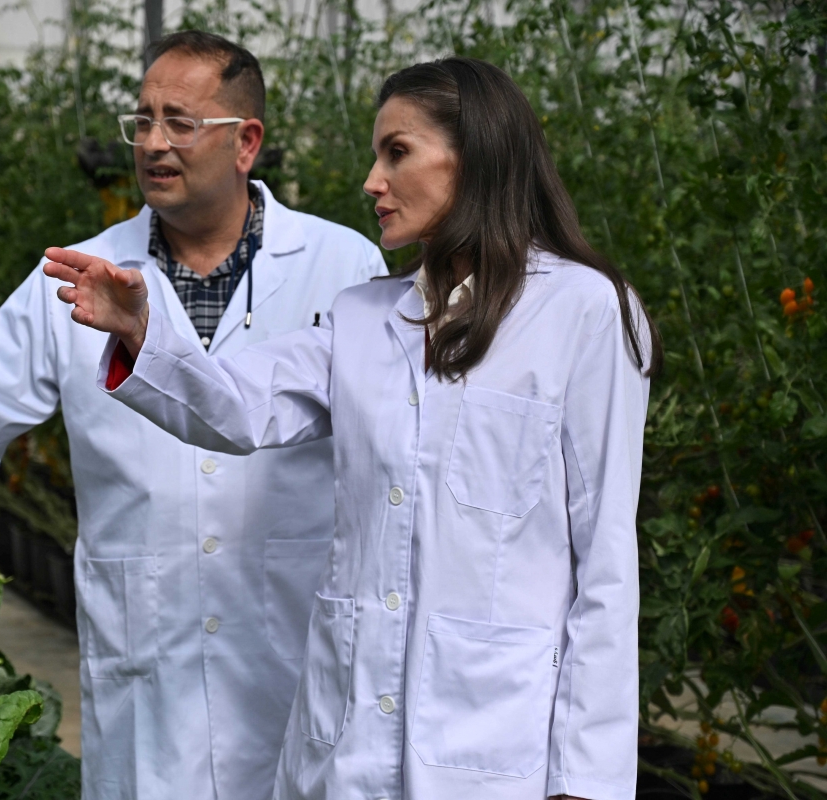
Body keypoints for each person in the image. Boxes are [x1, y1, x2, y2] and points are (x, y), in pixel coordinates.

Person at [44, 57, 662, 800]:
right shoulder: (365, 317)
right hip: (346, 744)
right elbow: (238, 405)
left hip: (497, 746)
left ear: (478, 157)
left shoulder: (584, 312)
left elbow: (604, 560)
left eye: (397, 152)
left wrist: (587, 780)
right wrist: (144, 335)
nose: (372, 180)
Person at [0, 30, 385, 800]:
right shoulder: (77, 275)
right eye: (141, 121)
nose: (154, 144)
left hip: (293, 664)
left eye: (180, 122)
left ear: (246, 143)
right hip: (151, 671)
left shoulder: (344, 269)